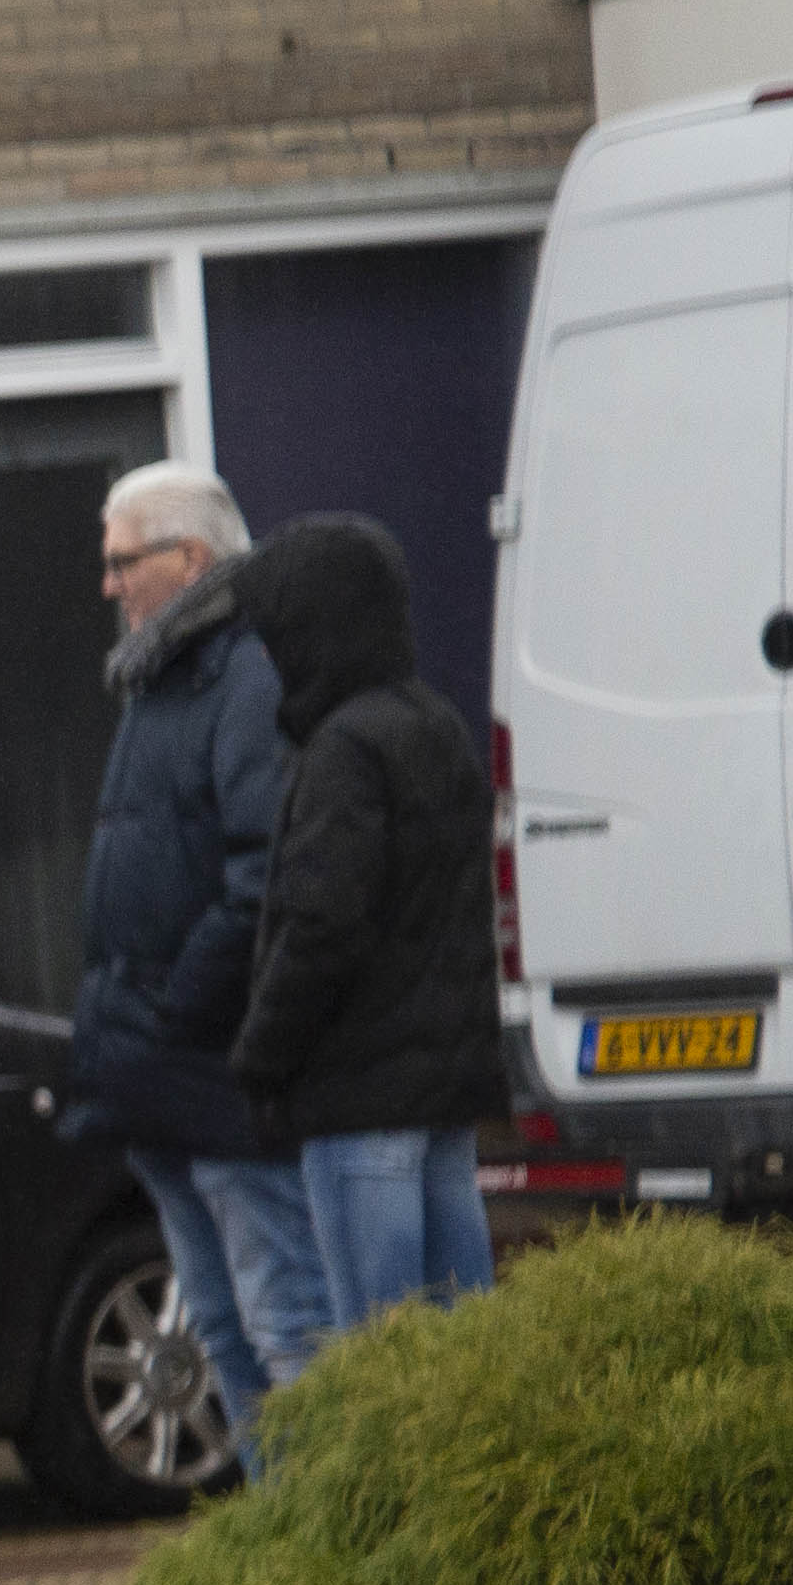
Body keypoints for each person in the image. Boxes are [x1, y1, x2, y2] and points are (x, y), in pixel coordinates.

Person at [67, 464, 321, 1459]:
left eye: (122, 560)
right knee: (221, 1331)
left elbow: (261, 876)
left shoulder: (245, 677)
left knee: (286, 1328)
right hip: (161, 1077)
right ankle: (272, 1531)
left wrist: (174, 1009)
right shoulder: (158, 678)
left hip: (215, 1074)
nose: (108, 584)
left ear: (190, 558)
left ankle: (319, 1528)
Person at [226, 513, 510, 1336]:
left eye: (277, 633)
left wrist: (260, 1056)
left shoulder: (343, 751)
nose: (269, 656)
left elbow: (323, 925)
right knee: (465, 1358)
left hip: (359, 1102)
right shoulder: (438, 725)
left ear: (315, 628)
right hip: (442, 1102)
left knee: (381, 1362)